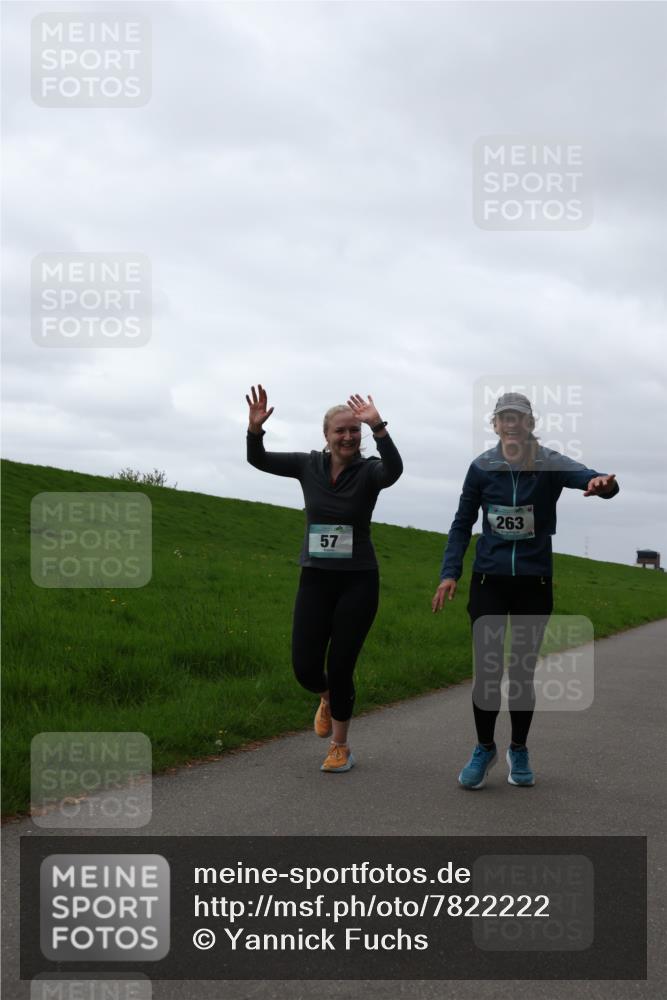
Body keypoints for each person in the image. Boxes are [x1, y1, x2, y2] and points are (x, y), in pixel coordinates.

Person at [431, 391, 619, 789]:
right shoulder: (481, 468)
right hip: (489, 581)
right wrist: (451, 572)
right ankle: (484, 748)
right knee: (487, 671)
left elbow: (588, 476)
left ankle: (518, 748)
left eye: (519, 417)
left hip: (533, 582)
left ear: (531, 424)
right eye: (504, 418)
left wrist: (601, 485)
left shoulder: (549, 464)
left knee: (520, 672)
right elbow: (462, 523)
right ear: (495, 425)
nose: (511, 423)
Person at [246, 384, 403, 772]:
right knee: (304, 666)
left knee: (342, 664)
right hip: (316, 578)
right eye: (341, 431)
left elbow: (394, 471)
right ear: (327, 436)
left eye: (355, 431)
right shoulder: (307, 465)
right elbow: (259, 460)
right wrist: (254, 430)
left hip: (358, 581)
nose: (348, 436)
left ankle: (339, 746)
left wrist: (380, 427)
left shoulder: (369, 471)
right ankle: (327, 698)